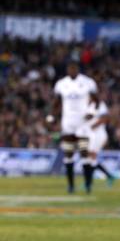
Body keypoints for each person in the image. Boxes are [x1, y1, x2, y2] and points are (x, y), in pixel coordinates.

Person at [52, 61, 98, 194]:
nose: (72, 70)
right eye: (69, 68)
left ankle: (88, 184)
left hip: (82, 123)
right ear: (67, 69)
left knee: (84, 152)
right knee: (68, 154)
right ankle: (71, 185)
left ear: (78, 69)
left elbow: (96, 100)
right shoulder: (61, 84)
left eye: (74, 68)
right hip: (67, 123)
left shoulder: (88, 82)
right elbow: (56, 102)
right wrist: (51, 116)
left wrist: (91, 112)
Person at [83, 97, 115, 185]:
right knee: (89, 157)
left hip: (98, 134)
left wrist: (92, 126)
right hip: (90, 134)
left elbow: (105, 118)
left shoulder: (100, 104)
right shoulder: (85, 105)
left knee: (91, 155)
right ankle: (108, 176)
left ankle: (89, 182)